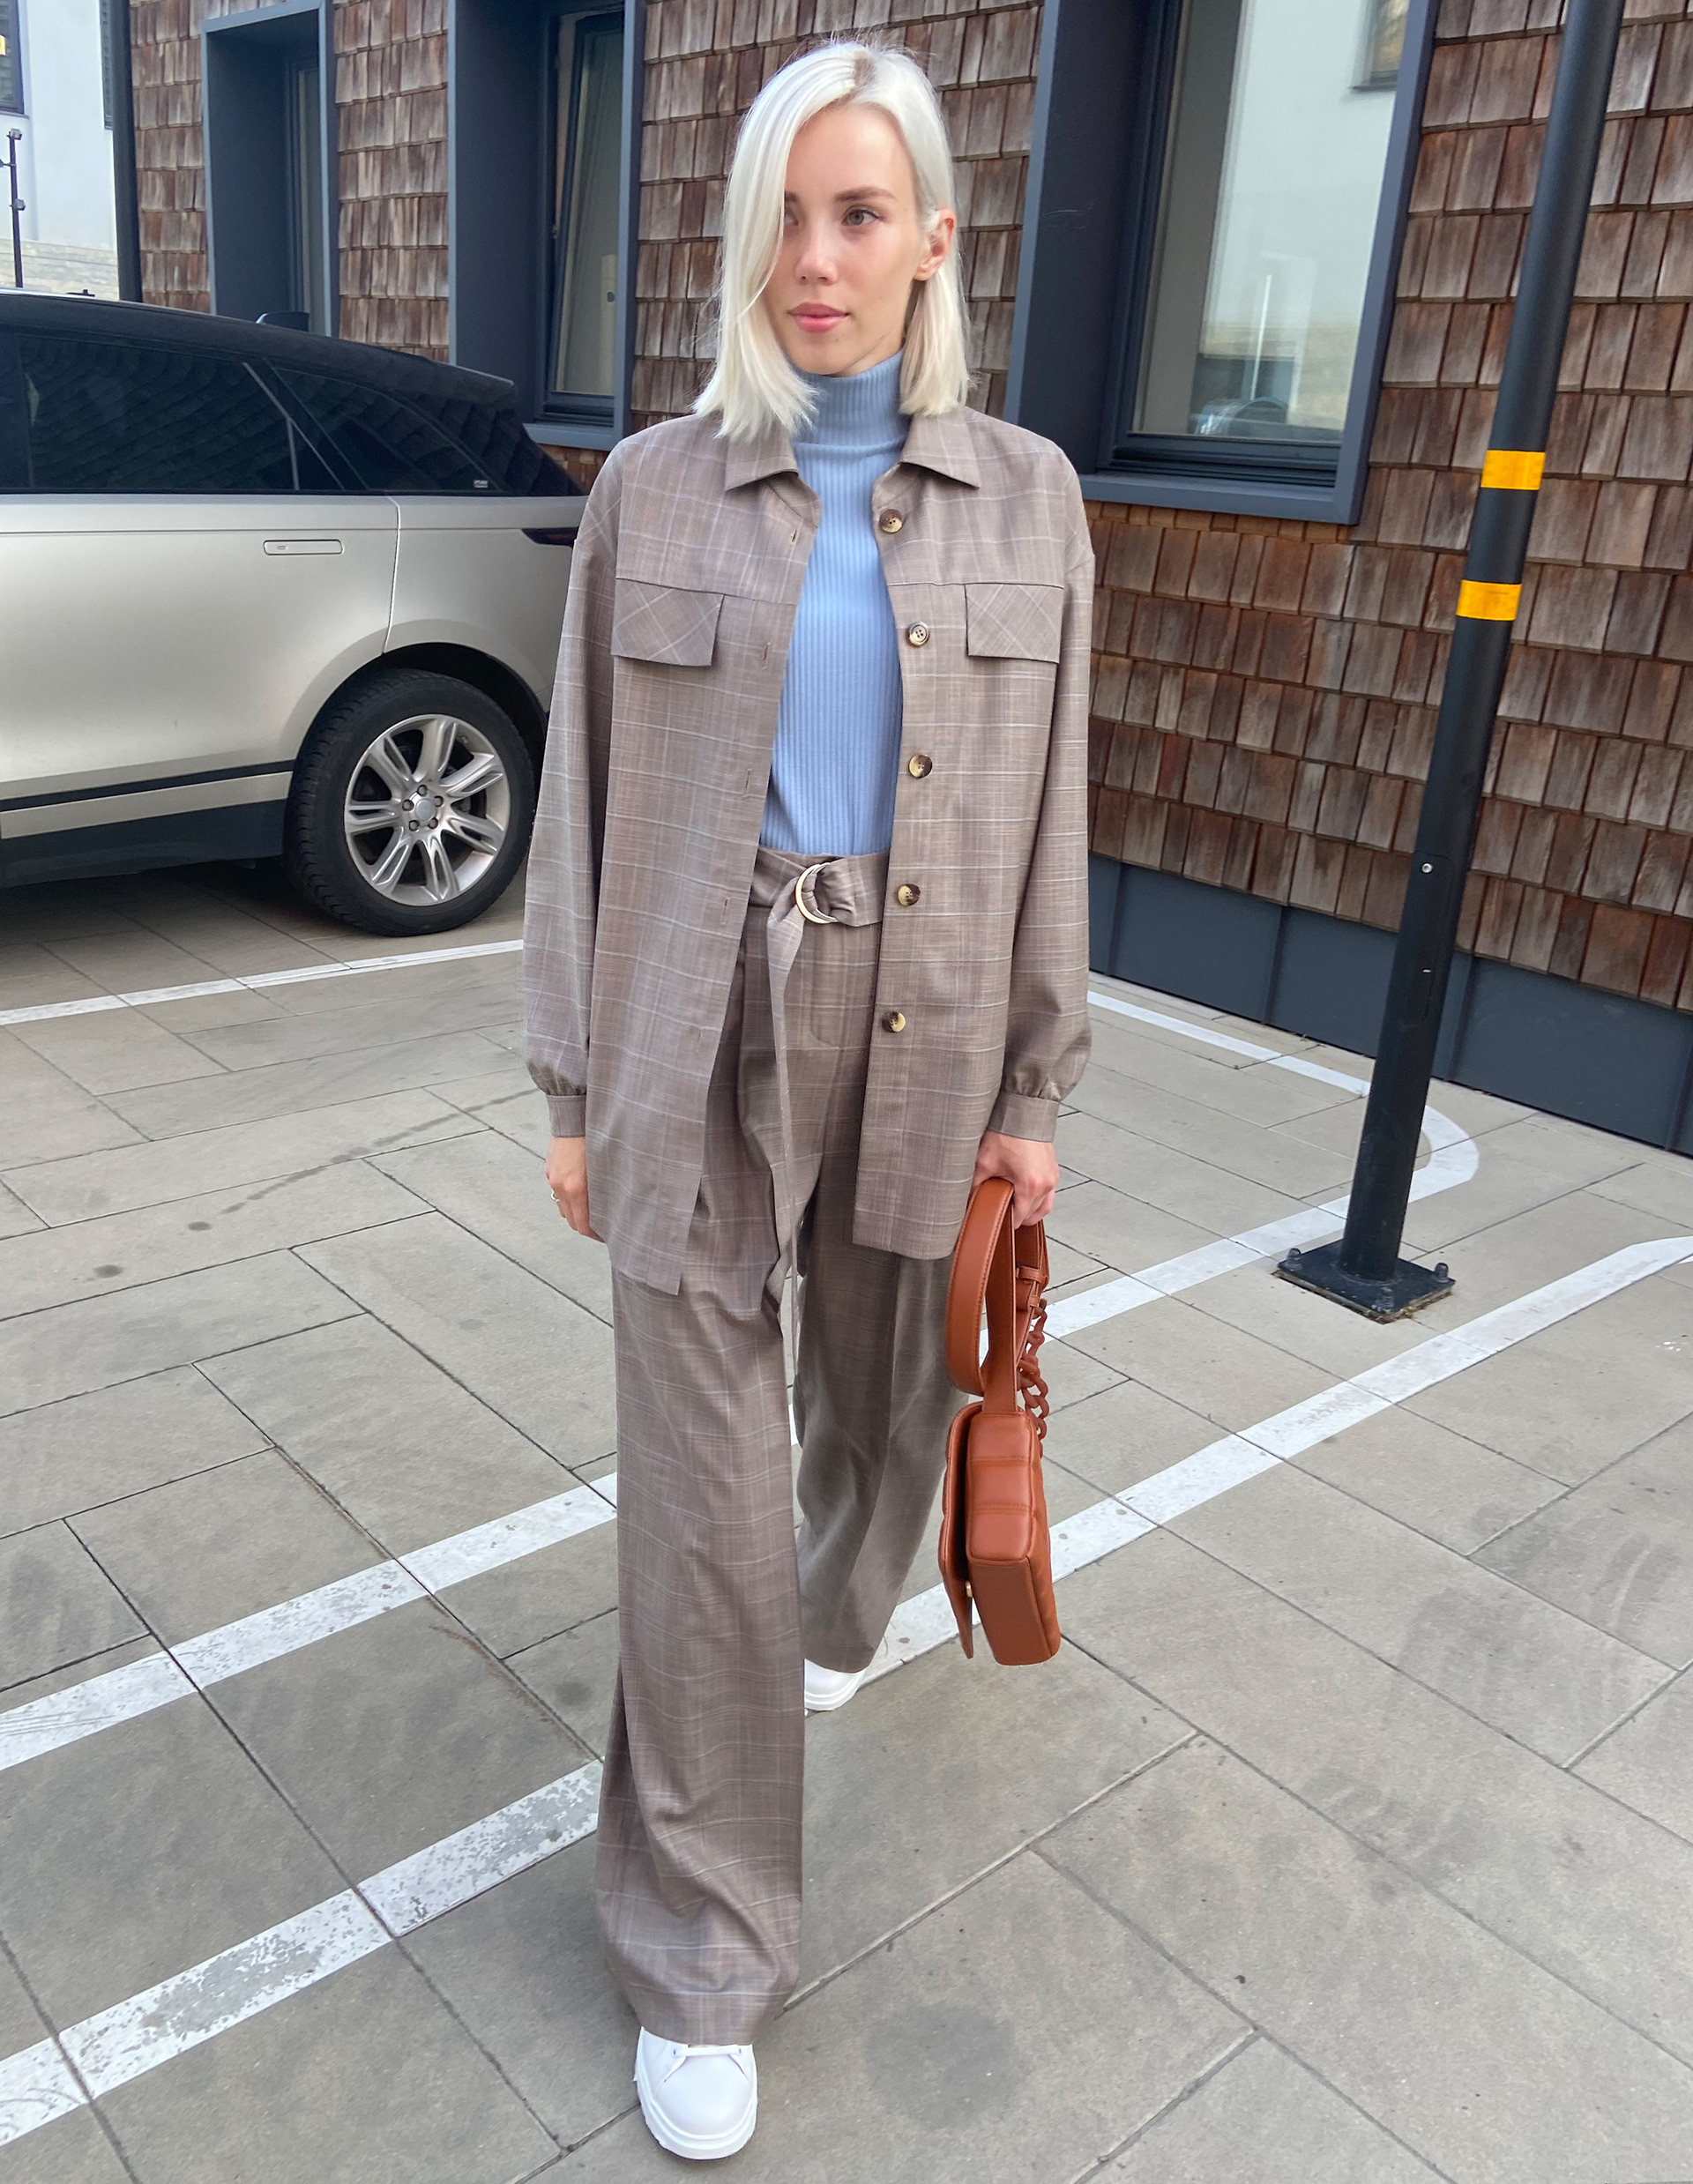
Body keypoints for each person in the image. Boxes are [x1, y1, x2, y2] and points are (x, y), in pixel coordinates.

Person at [523, 38, 1093, 2161]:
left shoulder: (1032, 497)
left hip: (927, 1018)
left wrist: (1036, 1080)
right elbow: (580, 799)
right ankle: (701, 1949)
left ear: (935, 238)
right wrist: (574, 1079)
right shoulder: (656, 492)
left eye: (859, 215)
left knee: (885, 1406)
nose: (816, 260)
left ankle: (846, 1607)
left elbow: (1052, 813)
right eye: (782, 214)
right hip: (691, 1021)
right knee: (701, 1518)